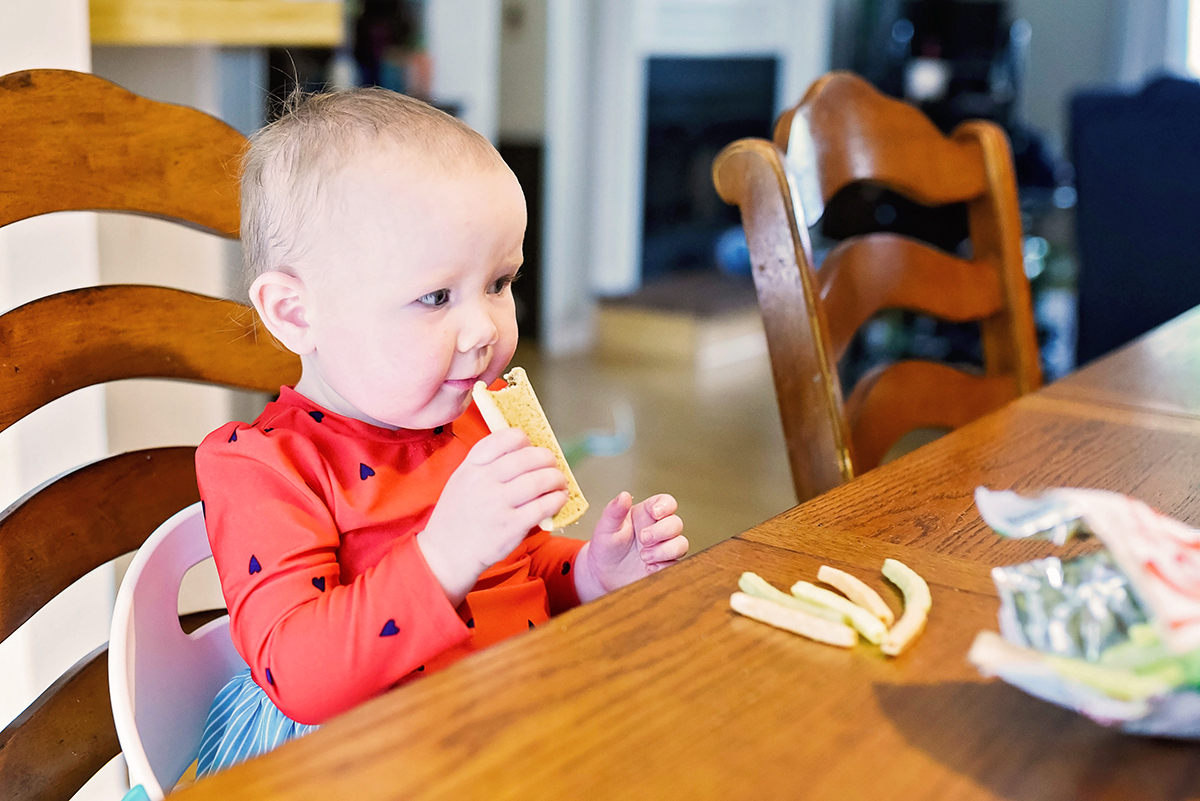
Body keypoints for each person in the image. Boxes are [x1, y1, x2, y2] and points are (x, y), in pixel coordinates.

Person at [191, 88, 687, 777]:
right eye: (435, 297)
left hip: (510, 727)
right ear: (296, 313)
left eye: (499, 281)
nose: (485, 327)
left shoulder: (483, 413)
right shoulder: (264, 466)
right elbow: (297, 672)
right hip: (363, 763)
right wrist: (442, 553)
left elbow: (522, 572)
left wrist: (595, 571)